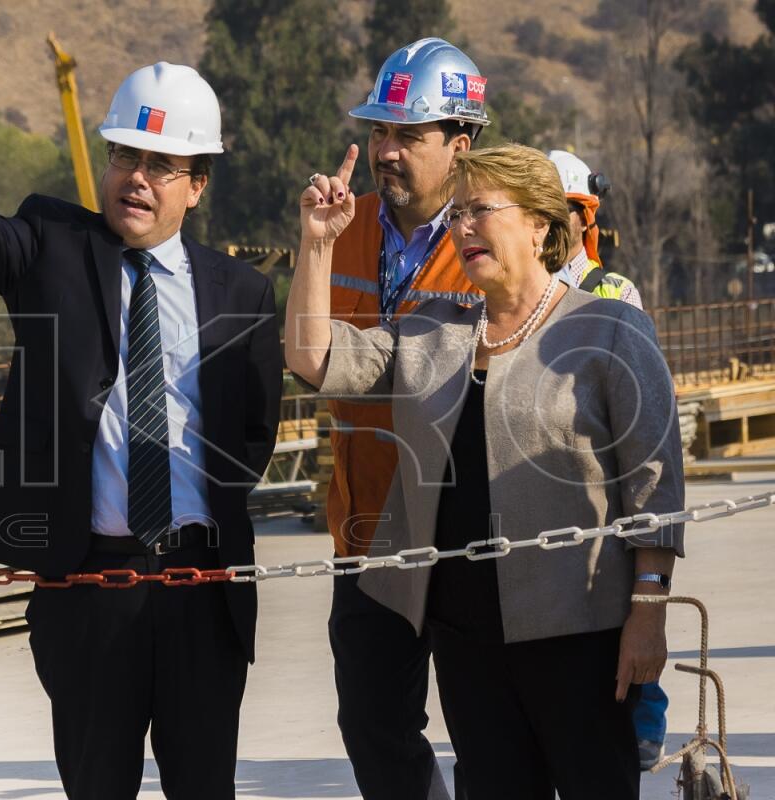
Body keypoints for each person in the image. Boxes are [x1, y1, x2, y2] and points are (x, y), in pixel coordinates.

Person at [0, 61, 281, 799]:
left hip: (200, 590)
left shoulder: (242, 291)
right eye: (126, 156)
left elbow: (253, 433)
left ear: (197, 185)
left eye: (162, 165)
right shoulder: (52, 248)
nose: (138, 177)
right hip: (89, 588)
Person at [286, 143, 684, 799]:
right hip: (465, 641)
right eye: (457, 214)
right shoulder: (434, 331)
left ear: (539, 224)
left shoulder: (609, 329)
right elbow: (313, 356)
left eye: (481, 211)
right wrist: (318, 244)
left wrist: (648, 615)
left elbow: (654, 490)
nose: (462, 228)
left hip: (578, 636)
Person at [324, 37, 487, 799]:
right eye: (378, 131)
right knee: (373, 725)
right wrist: (308, 244)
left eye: (407, 135)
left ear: (458, 145)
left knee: (492, 732)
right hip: (365, 532)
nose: (385, 151)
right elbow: (306, 353)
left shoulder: (496, 238)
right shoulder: (343, 228)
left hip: (467, 537)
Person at [547, 149, 668, 768]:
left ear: (582, 215)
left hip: (607, 478)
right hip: (547, 479)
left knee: (624, 610)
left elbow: (638, 400)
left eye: (562, 212)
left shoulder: (612, 291)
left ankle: (643, 719)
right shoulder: (518, 294)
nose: (550, 225)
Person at [548, 150, 643, 308]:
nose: (549, 220)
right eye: (541, 212)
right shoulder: (517, 287)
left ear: (585, 219)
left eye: (560, 211)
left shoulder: (621, 294)